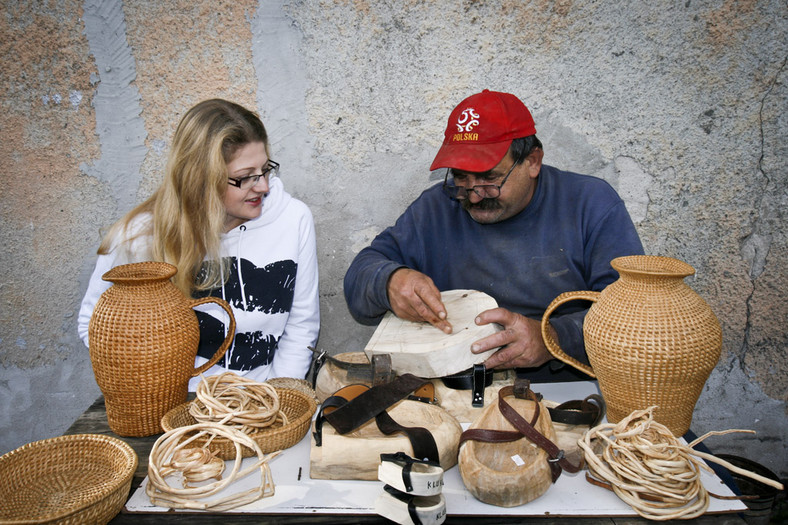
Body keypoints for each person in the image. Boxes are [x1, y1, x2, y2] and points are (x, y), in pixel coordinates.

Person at [344, 90, 643, 382]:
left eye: (490, 178)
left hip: (566, 388)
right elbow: (361, 275)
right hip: (456, 389)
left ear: (533, 162)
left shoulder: (590, 204)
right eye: (461, 177)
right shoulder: (437, 208)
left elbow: (635, 314)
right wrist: (388, 281)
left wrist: (551, 338)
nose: (473, 196)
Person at [78, 99, 319, 388]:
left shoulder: (293, 219)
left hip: (264, 403)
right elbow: (93, 325)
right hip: (175, 406)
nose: (264, 186)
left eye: (266, 169)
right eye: (245, 178)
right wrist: (158, 386)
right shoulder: (139, 237)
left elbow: (301, 326)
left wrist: (277, 401)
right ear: (201, 178)